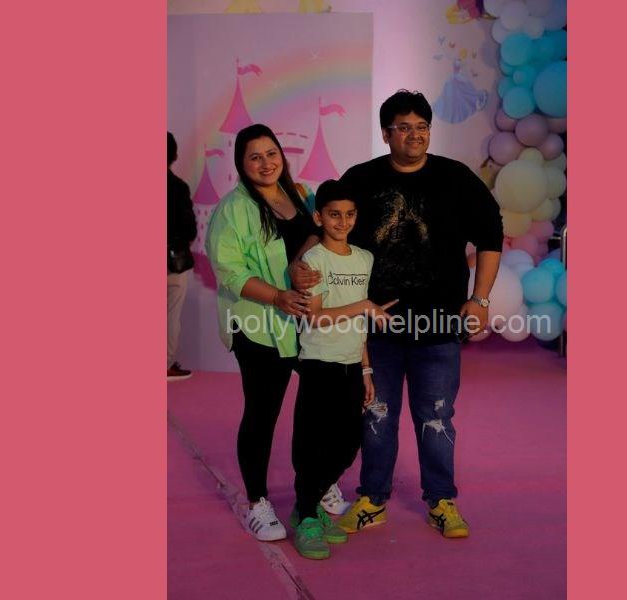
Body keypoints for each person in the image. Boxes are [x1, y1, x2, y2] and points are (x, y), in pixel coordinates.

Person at [292, 90, 503, 538]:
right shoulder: (362, 178)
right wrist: (298, 264)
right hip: (375, 328)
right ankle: (372, 499)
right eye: (403, 127)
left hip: (439, 324)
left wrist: (480, 300)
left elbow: (490, 234)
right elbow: (326, 225)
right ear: (386, 133)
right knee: (376, 414)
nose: (414, 135)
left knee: (437, 416)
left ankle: (441, 500)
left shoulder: (456, 178)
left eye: (421, 127)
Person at [205, 123, 321, 542]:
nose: (266, 163)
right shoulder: (233, 210)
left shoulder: (301, 194)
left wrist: (300, 261)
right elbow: (230, 272)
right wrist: (277, 296)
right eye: (254, 157)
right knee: (262, 413)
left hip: (306, 321)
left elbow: (319, 232)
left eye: (271, 153)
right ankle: (258, 502)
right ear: (241, 164)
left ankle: (317, 483)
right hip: (258, 325)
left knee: (322, 403)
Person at [288, 179, 396, 559]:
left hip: (352, 364)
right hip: (319, 363)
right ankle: (307, 515)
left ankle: (307, 504)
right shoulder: (314, 260)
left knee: (348, 445)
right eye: (334, 214)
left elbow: (361, 323)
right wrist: (363, 306)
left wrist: (366, 369)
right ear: (319, 217)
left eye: (349, 214)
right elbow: (314, 317)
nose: (343, 221)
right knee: (313, 444)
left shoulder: (364, 258)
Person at [167, 132, 198, 381]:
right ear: (174, 155)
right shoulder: (178, 187)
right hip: (172, 263)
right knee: (170, 315)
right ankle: (165, 364)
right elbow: (190, 230)